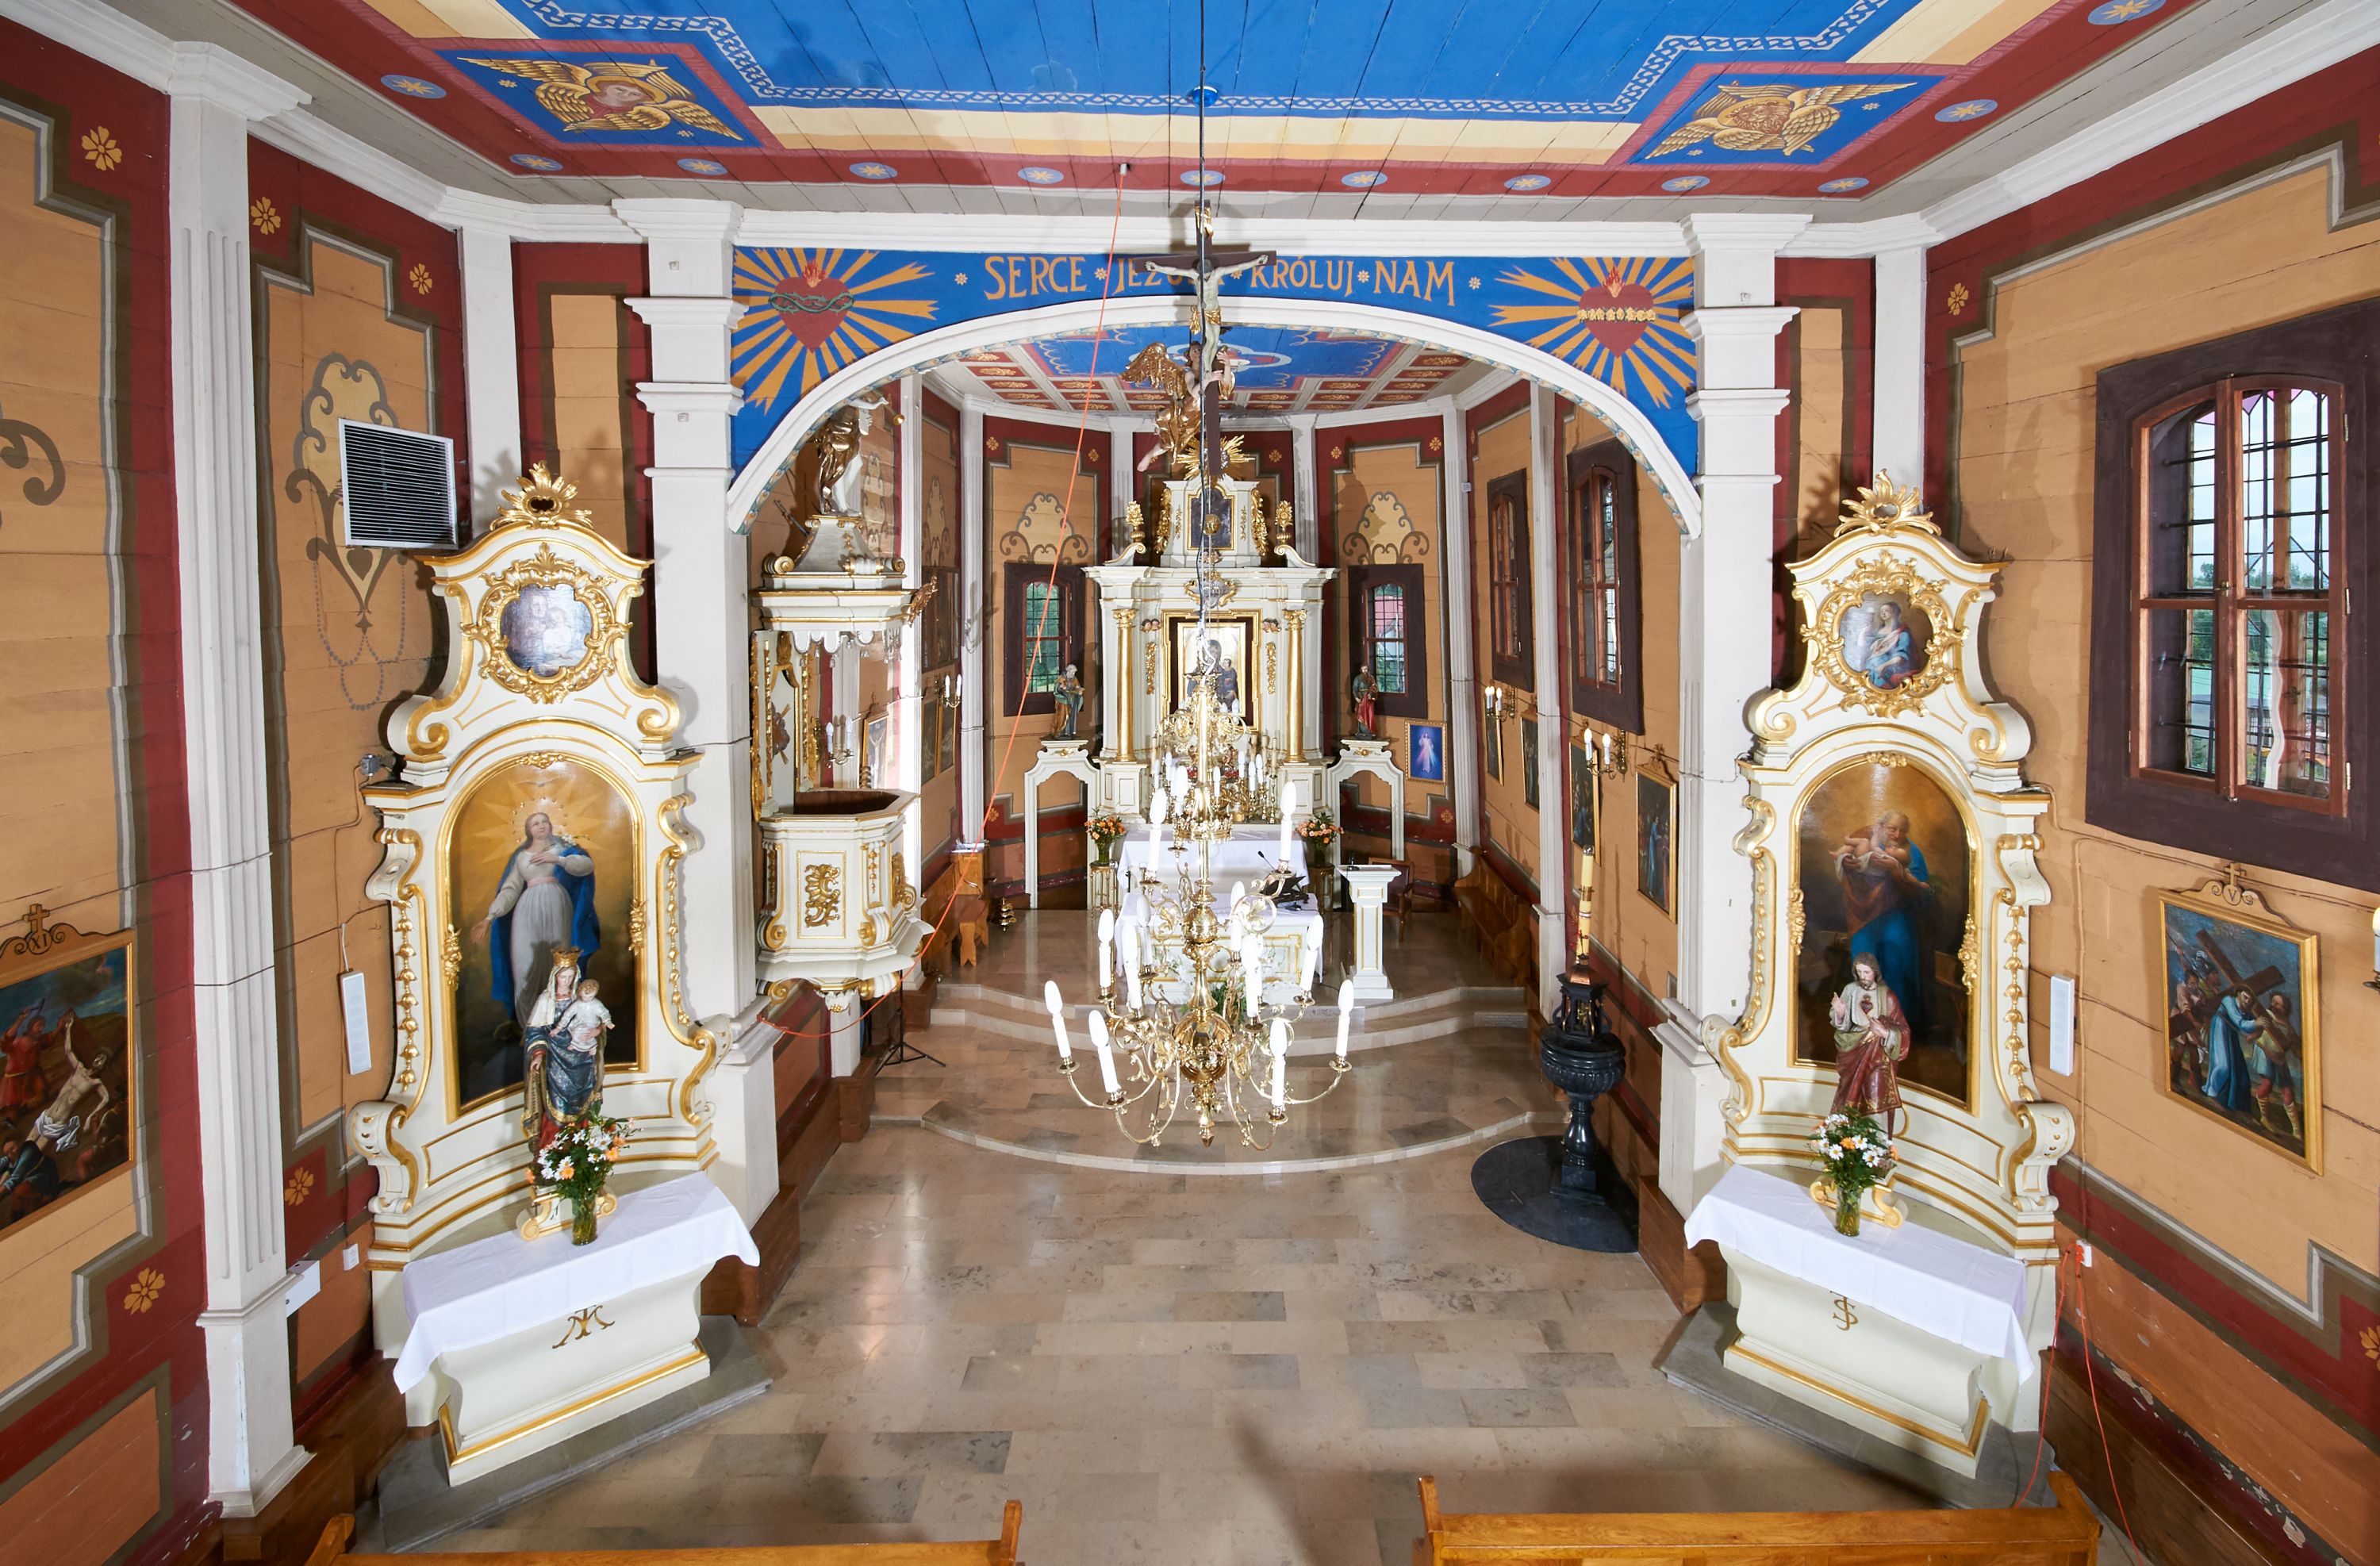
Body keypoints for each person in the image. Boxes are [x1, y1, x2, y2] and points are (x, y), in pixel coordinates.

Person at [472, 811, 599, 1029]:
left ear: (550, 825)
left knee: (558, 963)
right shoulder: (522, 857)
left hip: (557, 905)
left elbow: (586, 866)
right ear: (528, 831)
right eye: (535, 824)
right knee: (525, 964)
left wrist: (558, 860)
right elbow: (510, 890)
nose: (541, 826)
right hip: (527, 909)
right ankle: (530, 1027)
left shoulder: (562, 848)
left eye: (544, 822)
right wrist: (490, 917)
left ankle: (558, 1025)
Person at [1835, 810, 1931, 1041]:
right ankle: (1861, 1025)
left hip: (1897, 916)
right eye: (1892, 829)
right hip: (1865, 919)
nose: (1897, 834)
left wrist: (1896, 872)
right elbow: (1847, 861)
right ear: (1882, 826)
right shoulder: (1867, 839)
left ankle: (1898, 1027)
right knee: (1863, 964)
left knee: (1897, 965)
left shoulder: (1911, 853)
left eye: (1902, 830)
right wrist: (1846, 863)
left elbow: (1922, 892)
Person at [0, 1015, 108, 1199]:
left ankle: (6, 1189)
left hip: (58, 1122)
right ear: (94, 1059)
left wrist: (91, 1117)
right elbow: (68, 1050)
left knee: (30, 1158)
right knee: (18, 1153)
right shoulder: (79, 1069)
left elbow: (105, 1099)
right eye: (98, 1058)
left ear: (103, 1066)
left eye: (103, 1061)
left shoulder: (96, 1083)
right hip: (47, 1115)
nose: (99, 1062)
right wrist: (69, 1029)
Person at [520, 956, 601, 1156]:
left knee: (581, 1105)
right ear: (555, 977)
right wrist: (538, 1055)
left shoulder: (582, 998)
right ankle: (554, 1154)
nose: (567, 981)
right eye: (563, 977)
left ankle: (580, 1152)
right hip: (556, 1061)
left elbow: (599, 1020)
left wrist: (596, 1031)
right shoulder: (546, 1000)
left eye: (571, 977)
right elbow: (535, 1032)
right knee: (557, 1105)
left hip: (582, 1059)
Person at [1827, 953, 1909, 1125]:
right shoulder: (1851, 990)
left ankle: (1876, 1138)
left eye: (1866, 972)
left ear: (1875, 972)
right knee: (1849, 1094)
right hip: (1852, 1050)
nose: (1862, 976)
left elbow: (1904, 1029)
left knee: (1875, 1094)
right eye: (1859, 972)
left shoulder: (1887, 996)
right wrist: (1840, 1014)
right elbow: (1843, 1025)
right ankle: (1850, 1134)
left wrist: (1885, 1033)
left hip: (1877, 1055)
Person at [2201, 984, 2268, 1116]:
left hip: (2231, 1034)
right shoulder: (2228, 1001)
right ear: (2238, 993)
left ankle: (2231, 1103)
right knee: (2223, 1065)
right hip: (2220, 1028)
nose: (2247, 1001)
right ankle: (2212, 1095)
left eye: (2250, 1000)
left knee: (2238, 1071)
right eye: (2245, 997)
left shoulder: (2247, 1010)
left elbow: (2254, 1029)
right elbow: (2240, 1023)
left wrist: (2255, 1031)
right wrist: (2255, 1023)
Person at [0, 1007, 50, 1111]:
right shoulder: (19, 1041)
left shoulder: (37, 1041)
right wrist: (21, 1018)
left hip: (31, 1076)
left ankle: (23, 1110)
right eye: (38, 1026)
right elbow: (7, 1039)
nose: (41, 1029)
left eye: (42, 1026)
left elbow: (47, 1040)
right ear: (31, 1027)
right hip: (15, 1080)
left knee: (41, 1096)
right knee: (12, 1108)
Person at [1860, 601, 1918, 689]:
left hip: (1890, 668)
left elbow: (1901, 657)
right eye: (1881, 611)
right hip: (1872, 667)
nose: (1883, 613)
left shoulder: (1903, 634)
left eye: (1886, 611)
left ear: (1894, 613)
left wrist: (1883, 666)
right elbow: (1870, 648)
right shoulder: (1878, 631)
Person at [1052, 662, 1084, 739]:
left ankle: (1069, 732)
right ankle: (1060, 731)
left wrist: (1079, 691)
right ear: (1069, 671)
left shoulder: (1074, 679)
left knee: (1072, 716)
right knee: (1063, 715)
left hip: (1073, 700)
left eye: (1074, 672)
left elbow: (1077, 687)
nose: (1074, 674)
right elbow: (1057, 689)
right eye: (1073, 672)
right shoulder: (1061, 678)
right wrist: (1061, 687)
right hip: (1064, 701)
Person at [1351, 667, 1378, 740]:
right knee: (1361, 714)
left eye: (1366, 669)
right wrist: (1356, 697)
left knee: (1370, 715)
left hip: (1369, 700)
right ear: (1361, 670)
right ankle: (1361, 731)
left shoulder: (1371, 678)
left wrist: (1371, 694)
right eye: (1363, 669)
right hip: (1361, 698)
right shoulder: (1357, 678)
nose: (1365, 671)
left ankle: (1369, 730)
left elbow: (1374, 687)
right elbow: (1354, 689)